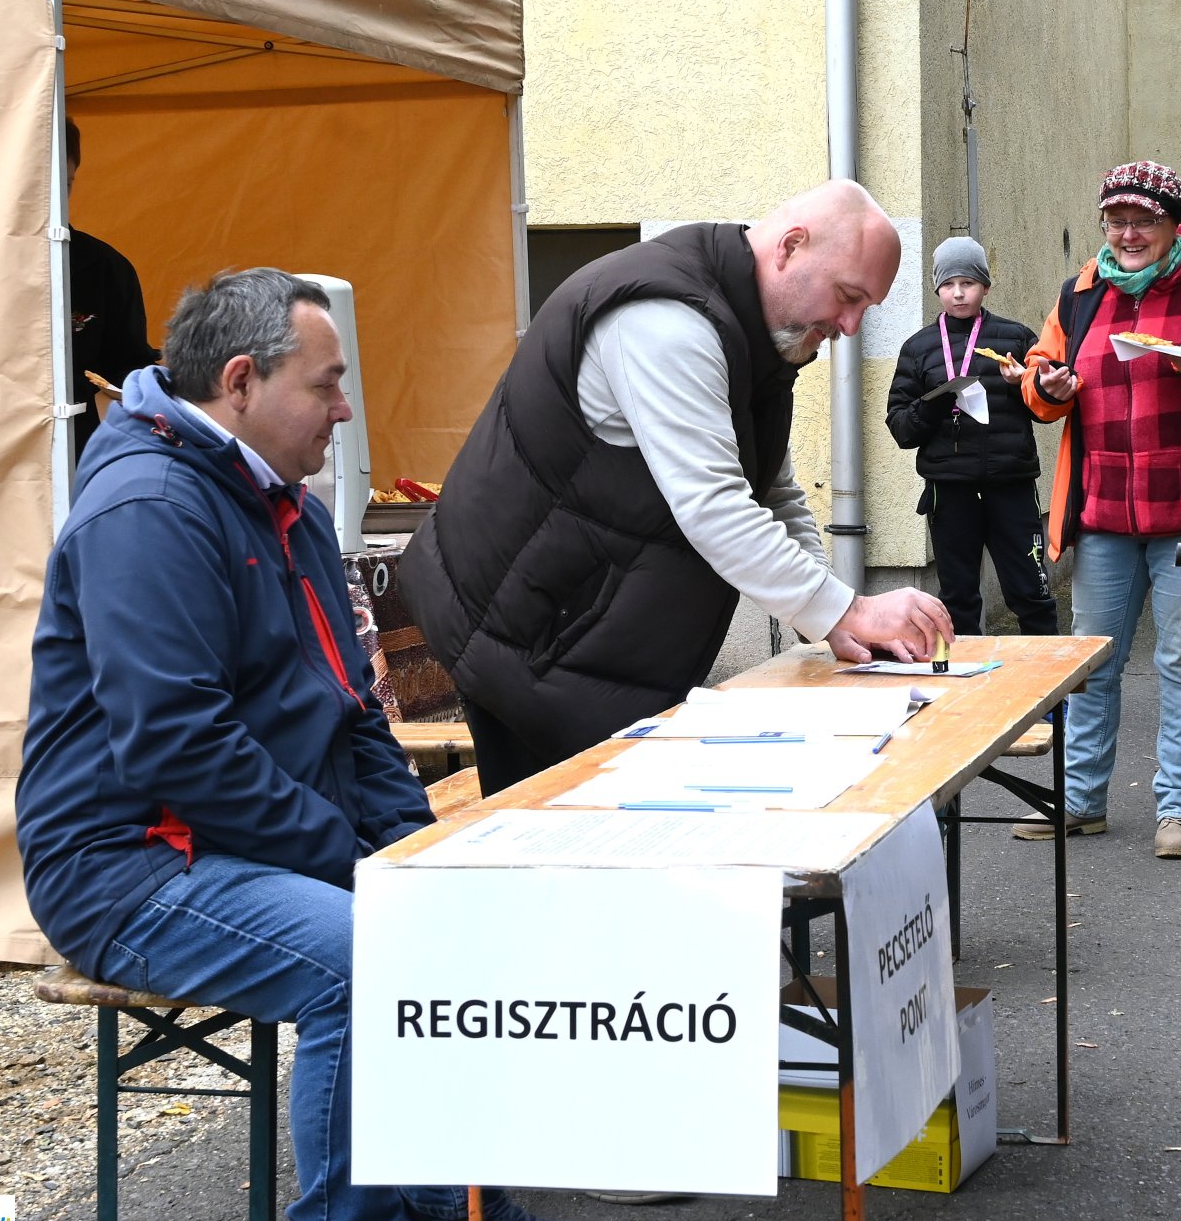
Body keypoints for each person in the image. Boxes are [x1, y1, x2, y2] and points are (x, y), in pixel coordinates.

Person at [15, 269, 590, 1221]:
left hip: (233, 836)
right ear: (240, 382)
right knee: (366, 961)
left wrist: (412, 856)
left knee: (449, 909)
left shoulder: (284, 500)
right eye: (324, 384)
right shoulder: (146, 507)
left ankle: (454, 1210)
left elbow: (353, 708)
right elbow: (176, 745)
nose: (345, 407)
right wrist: (352, 863)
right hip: (126, 861)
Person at [402, 179, 954, 794]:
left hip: (580, 645)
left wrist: (827, 616)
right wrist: (846, 608)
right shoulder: (667, 322)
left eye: (866, 308)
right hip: (527, 639)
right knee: (561, 855)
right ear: (790, 247)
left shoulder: (759, 333)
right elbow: (715, 507)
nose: (850, 325)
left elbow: (772, 490)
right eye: (848, 296)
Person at [1014, 161, 1181, 857]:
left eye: (1144, 221)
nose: (1129, 234)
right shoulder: (1080, 296)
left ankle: (1179, 810)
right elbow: (1040, 386)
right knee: (1091, 664)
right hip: (1103, 517)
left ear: (1175, 223)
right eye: (1117, 221)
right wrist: (1049, 385)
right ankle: (1078, 802)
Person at [884, 237, 1056, 637]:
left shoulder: (1016, 340)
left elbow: (1047, 409)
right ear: (937, 289)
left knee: (1031, 593)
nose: (958, 293)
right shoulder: (918, 349)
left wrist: (1023, 385)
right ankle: (963, 689)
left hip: (1011, 485)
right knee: (957, 599)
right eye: (948, 284)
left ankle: (1052, 699)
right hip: (950, 490)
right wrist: (935, 404)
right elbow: (901, 428)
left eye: (968, 282)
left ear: (985, 286)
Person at [64, 117, 158, 466]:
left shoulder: (103, 267)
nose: (56, 198)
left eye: (67, 184)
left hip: (72, 449)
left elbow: (129, 363)